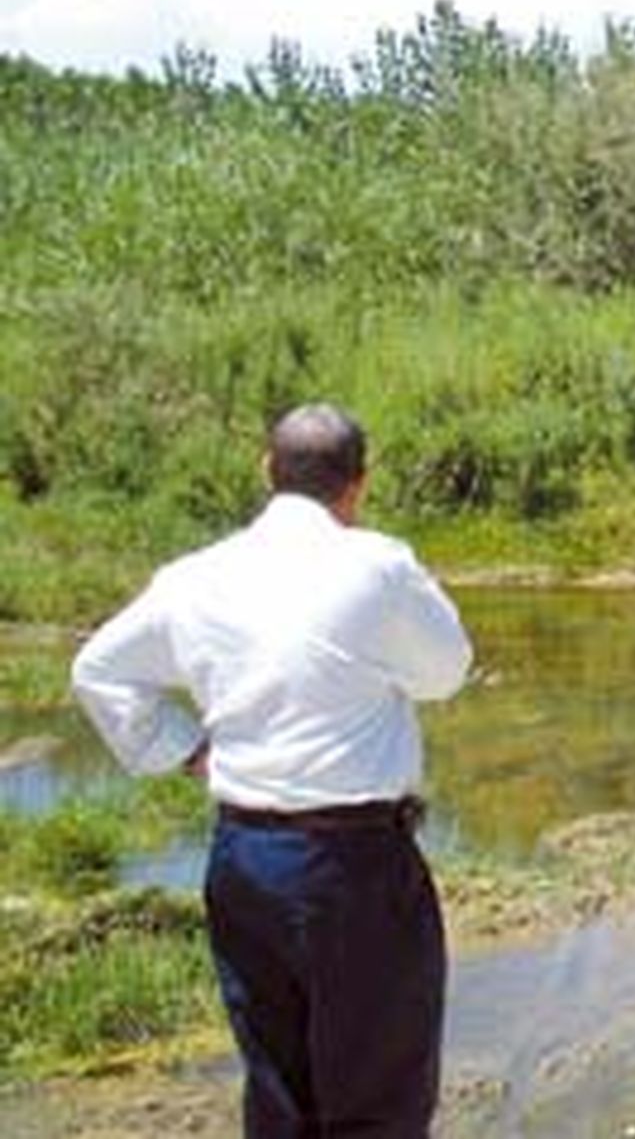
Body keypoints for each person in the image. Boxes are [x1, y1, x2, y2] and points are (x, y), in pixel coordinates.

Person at [71, 403, 473, 1138]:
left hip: (245, 859)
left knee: (279, 1087)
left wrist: (183, 750)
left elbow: (98, 669)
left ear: (267, 470)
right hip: (358, 865)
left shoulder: (195, 576)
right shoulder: (379, 564)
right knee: (379, 1094)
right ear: (359, 484)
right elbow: (446, 672)